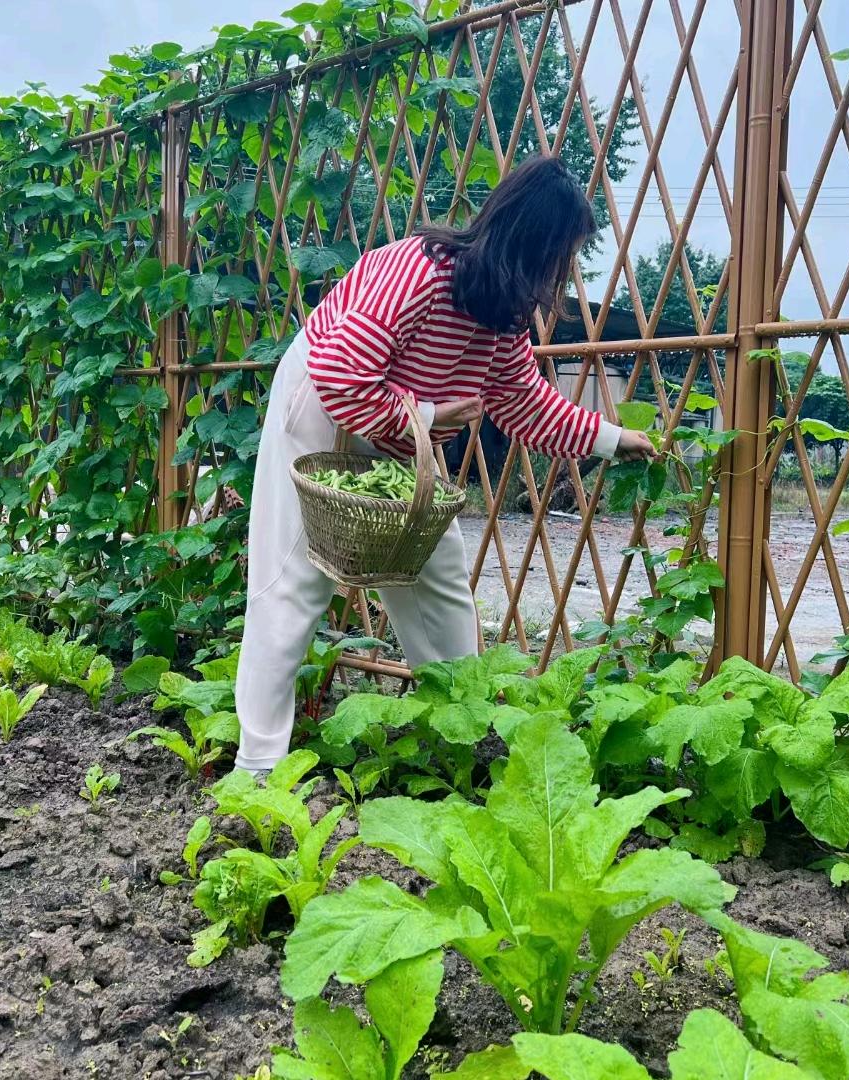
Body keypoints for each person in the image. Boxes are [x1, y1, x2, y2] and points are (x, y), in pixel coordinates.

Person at [233, 154, 655, 777]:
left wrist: (612, 439)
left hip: (397, 422)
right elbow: (339, 375)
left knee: (438, 566)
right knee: (295, 578)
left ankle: (463, 737)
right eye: (562, 253)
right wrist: (428, 416)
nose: (564, 271)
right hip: (322, 403)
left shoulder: (501, 313)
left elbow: (521, 401)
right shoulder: (419, 273)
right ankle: (258, 766)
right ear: (530, 241)